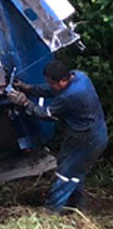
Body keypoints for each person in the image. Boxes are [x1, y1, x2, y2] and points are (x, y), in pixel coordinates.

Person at [8, 60, 108, 212]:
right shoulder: (80, 77)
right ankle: (76, 206)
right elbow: (52, 89)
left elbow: (45, 114)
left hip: (87, 140)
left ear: (62, 80)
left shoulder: (71, 96)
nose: (50, 85)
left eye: (51, 82)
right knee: (74, 170)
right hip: (87, 134)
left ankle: (51, 211)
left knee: (65, 174)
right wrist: (28, 88)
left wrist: (25, 103)